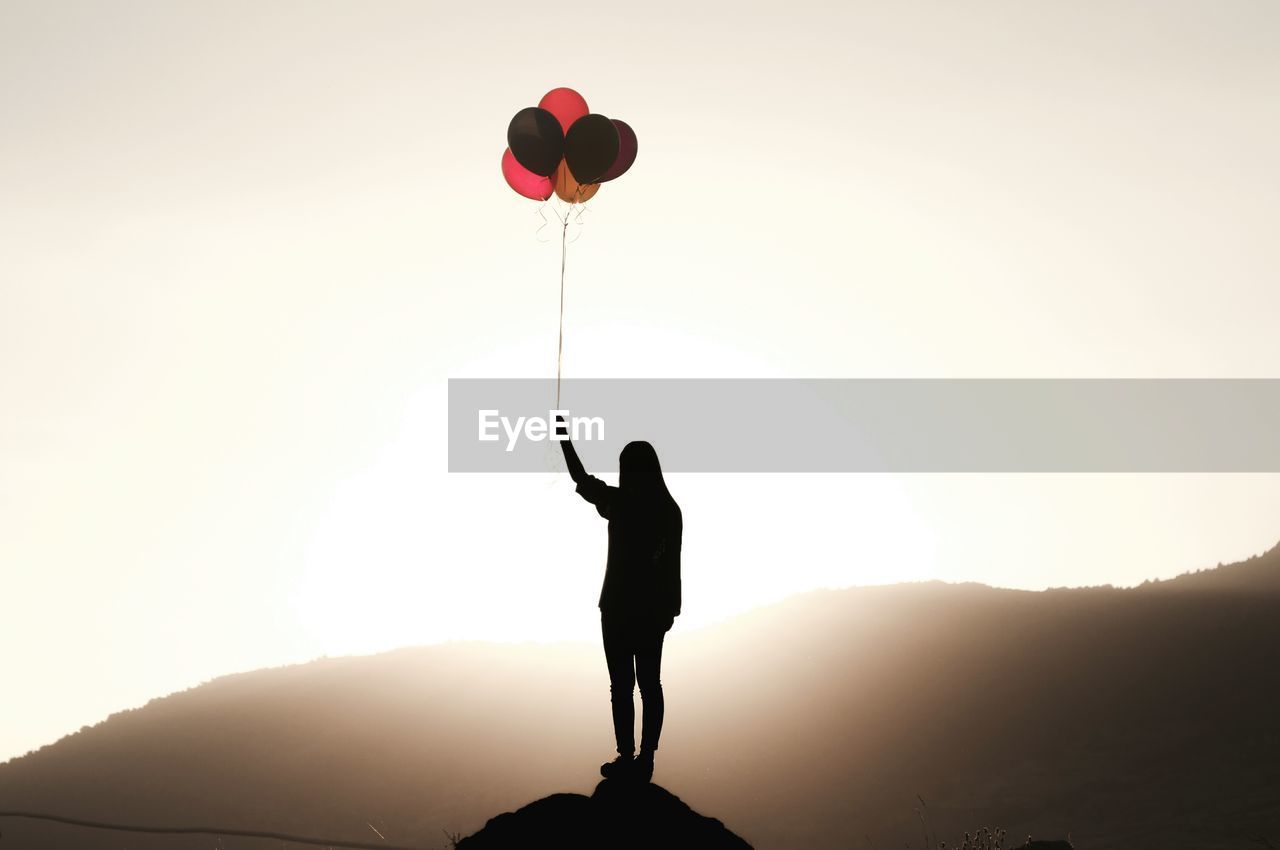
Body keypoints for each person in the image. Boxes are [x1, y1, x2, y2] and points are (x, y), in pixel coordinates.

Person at [556, 416, 682, 782]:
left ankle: (627, 756)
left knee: (622, 685)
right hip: (651, 610)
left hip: (617, 607)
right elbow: (671, 562)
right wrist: (671, 607)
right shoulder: (667, 510)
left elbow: (581, 480)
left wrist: (564, 439)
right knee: (649, 683)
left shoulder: (621, 503)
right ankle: (645, 759)